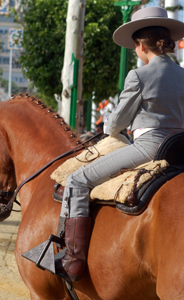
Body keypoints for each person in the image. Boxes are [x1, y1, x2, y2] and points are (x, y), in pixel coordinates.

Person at [55, 7, 184, 283]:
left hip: (150, 148)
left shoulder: (139, 77)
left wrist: (114, 125)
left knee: (78, 180)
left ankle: (73, 260)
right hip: (181, 149)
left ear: (140, 45)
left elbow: (114, 126)